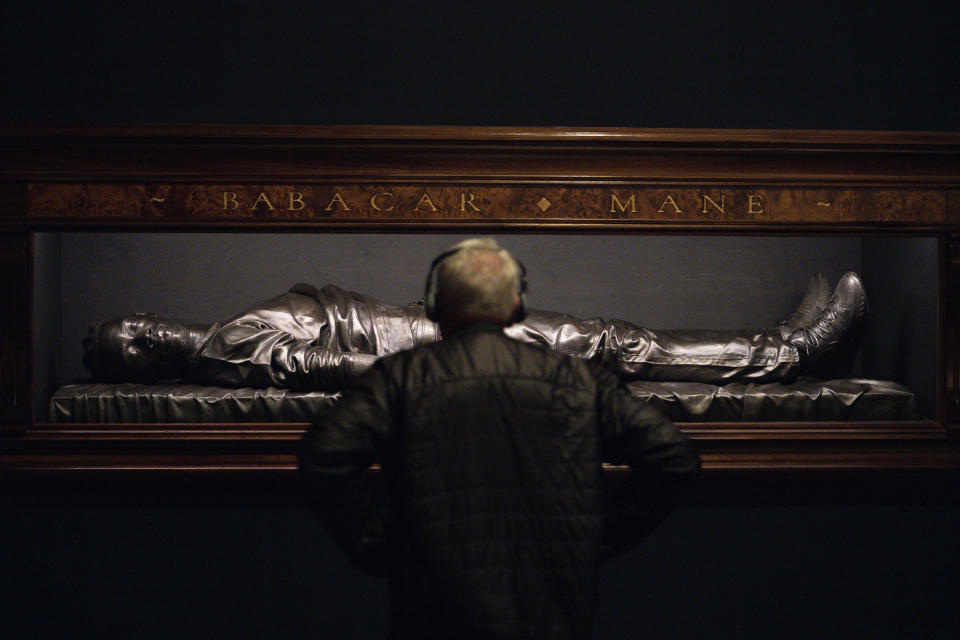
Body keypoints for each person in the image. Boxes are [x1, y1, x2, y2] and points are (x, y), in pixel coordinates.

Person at [298, 238, 701, 639]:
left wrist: (381, 546)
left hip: (432, 610)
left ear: (437, 306)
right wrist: (599, 534)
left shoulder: (399, 378)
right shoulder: (577, 379)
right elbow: (674, 458)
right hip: (553, 612)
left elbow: (323, 458)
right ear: (518, 306)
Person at [81, 266, 868, 391]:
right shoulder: (228, 354)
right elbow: (332, 368)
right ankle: (786, 353)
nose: (148, 327)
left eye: (136, 320)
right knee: (612, 344)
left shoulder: (227, 332)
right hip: (436, 345)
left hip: (426, 327)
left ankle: (774, 346)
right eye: (137, 338)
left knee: (610, 338)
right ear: (143, 358)